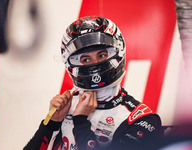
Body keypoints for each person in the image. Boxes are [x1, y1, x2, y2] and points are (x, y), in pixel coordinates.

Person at [24, 16, 162, 150]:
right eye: (86, 59)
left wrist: (80, 121)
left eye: (102, 55)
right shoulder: (66, 106)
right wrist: (52, 122)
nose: (95, 64)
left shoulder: (143, 120)